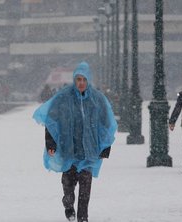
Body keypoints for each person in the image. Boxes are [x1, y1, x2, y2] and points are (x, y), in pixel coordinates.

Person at [33, 62, 117, 222]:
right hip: (69, 150)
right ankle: (68, 204)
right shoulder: (64, 98)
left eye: (84, 80)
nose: (81, 83)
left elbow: (106, 124)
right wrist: (51, 144)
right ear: (74, 79)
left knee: (85, 189)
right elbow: (51, 120)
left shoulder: (97, 99)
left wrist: (105, 147)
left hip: (89, 152)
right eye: (78, 79)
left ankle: (83, 218)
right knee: (68, 186)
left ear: (88, 80)